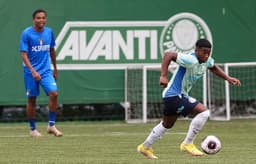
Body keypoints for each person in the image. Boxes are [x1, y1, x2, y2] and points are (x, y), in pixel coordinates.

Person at [137, 39, 241, 159]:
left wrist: (227, 78)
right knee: (204, 112)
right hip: (174, 95)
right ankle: (187, 143)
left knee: (167, 124)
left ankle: (145, 147)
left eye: (208, 53)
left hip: (174, 96)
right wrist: (163, 76)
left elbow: (213, 67)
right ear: (196, 51)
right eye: (203, 52)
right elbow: (168, 55)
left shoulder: (206, 60)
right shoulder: (191, 59)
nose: (206, 55)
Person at [19, 9, 63, 137]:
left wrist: (55, 68)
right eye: (38, 18)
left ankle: (51, 125)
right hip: (30, 72)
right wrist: (33, 71)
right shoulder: (26, 33)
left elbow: (52, 51)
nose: (41, 20)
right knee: (32, 99)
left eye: (43, 18)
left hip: (46, 71)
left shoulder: (49, 32)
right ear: (34, 20)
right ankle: (33, 129)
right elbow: (23, 54)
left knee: (54, 93)